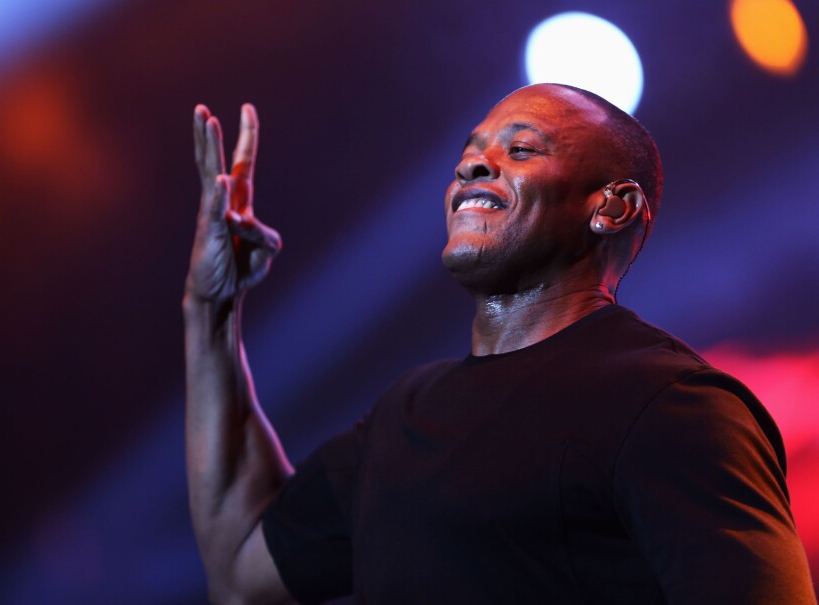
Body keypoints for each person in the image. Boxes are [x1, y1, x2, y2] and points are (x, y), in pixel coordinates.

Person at [183, 84, 816, 604]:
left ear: (612, 208)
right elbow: (241, 569)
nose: (472, 166)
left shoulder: (669, 405)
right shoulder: (407, 411)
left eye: (521, 149)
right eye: (470, 152)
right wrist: (210, 309)